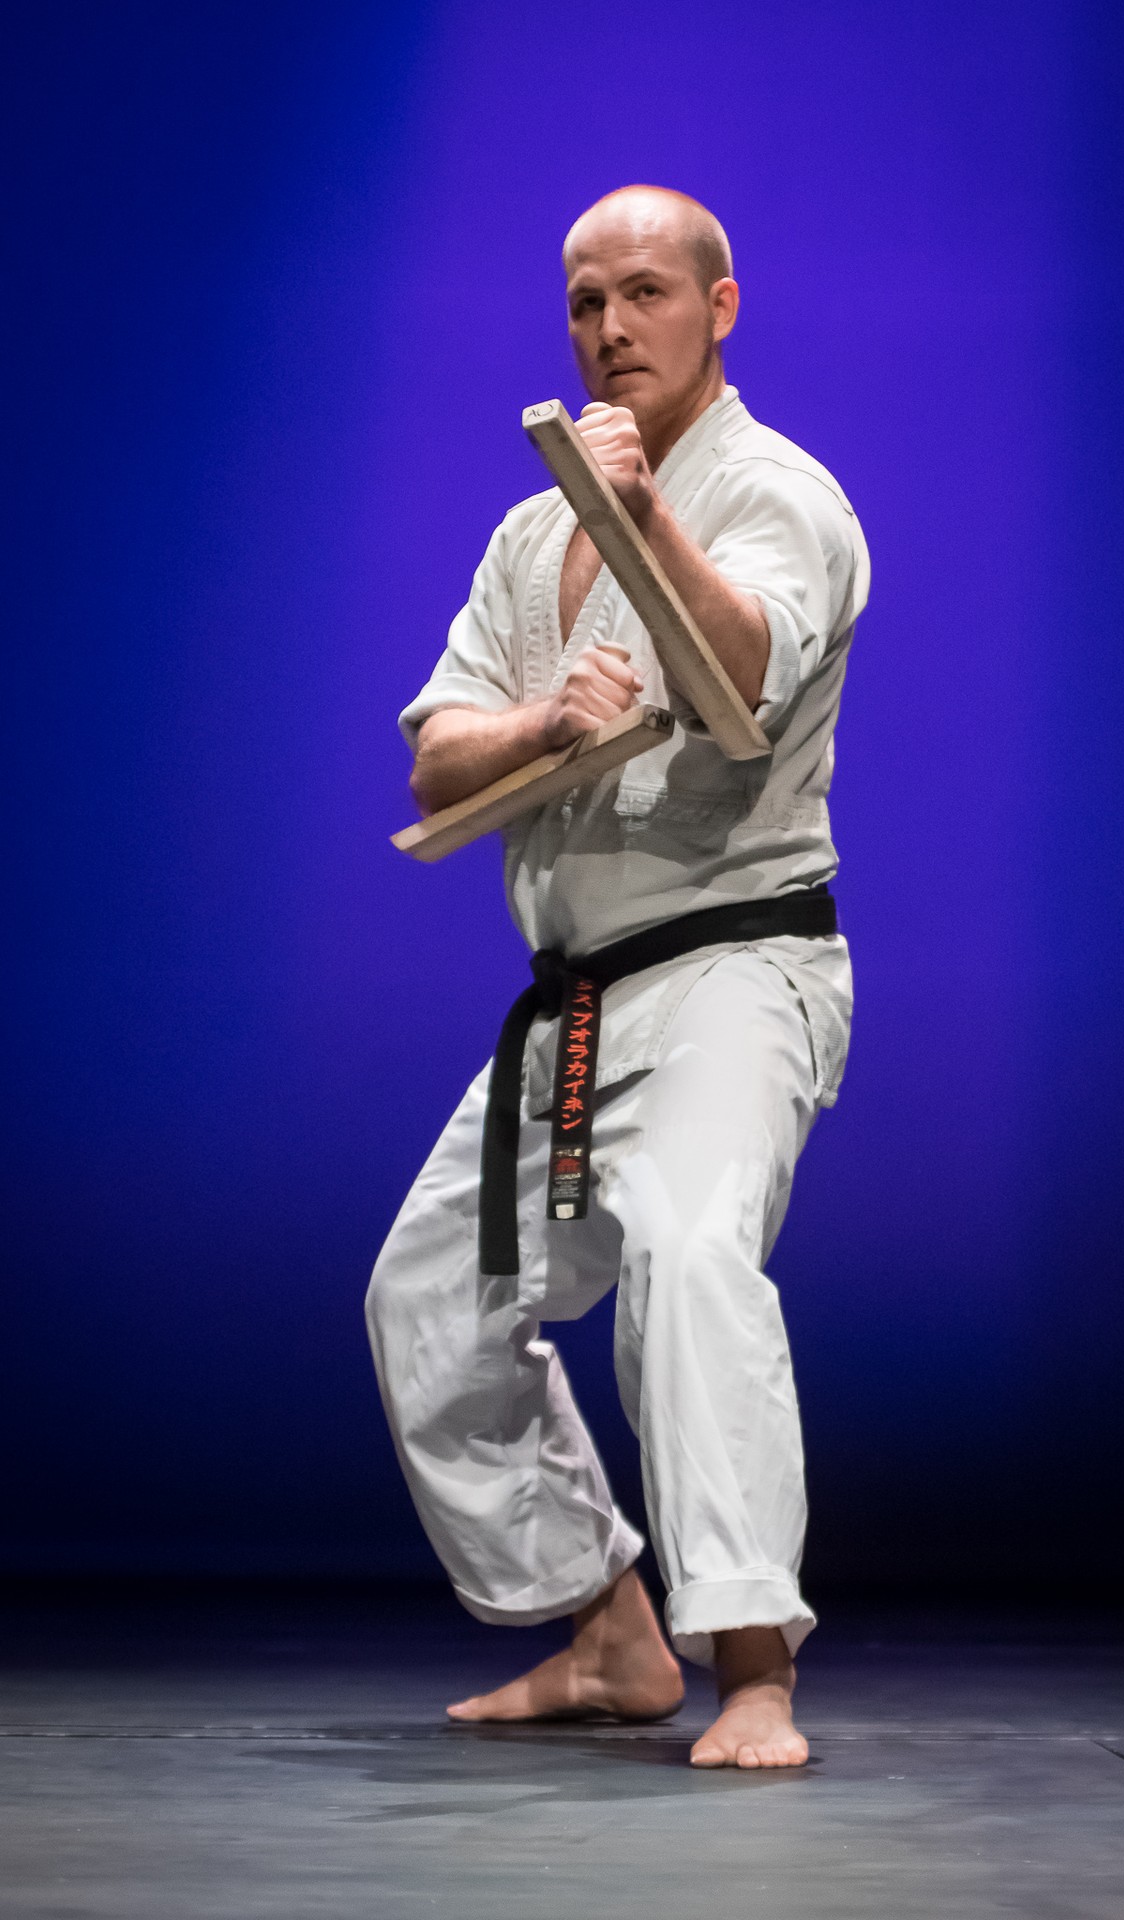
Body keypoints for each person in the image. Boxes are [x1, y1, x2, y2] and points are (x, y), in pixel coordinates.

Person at [366, 185, 870, 1768]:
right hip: (578, 1005)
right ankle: (608, 1634)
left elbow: (744, 679)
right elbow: (439, 758)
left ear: (720, 308)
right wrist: (542, 725)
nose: (608, 326)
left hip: (734, 969)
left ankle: (756, 1673)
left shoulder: (777, 496)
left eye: (644, 292)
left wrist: (643, 517)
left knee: (686, 1253)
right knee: (429, 1303)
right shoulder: (533, 533)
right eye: (586, 300)